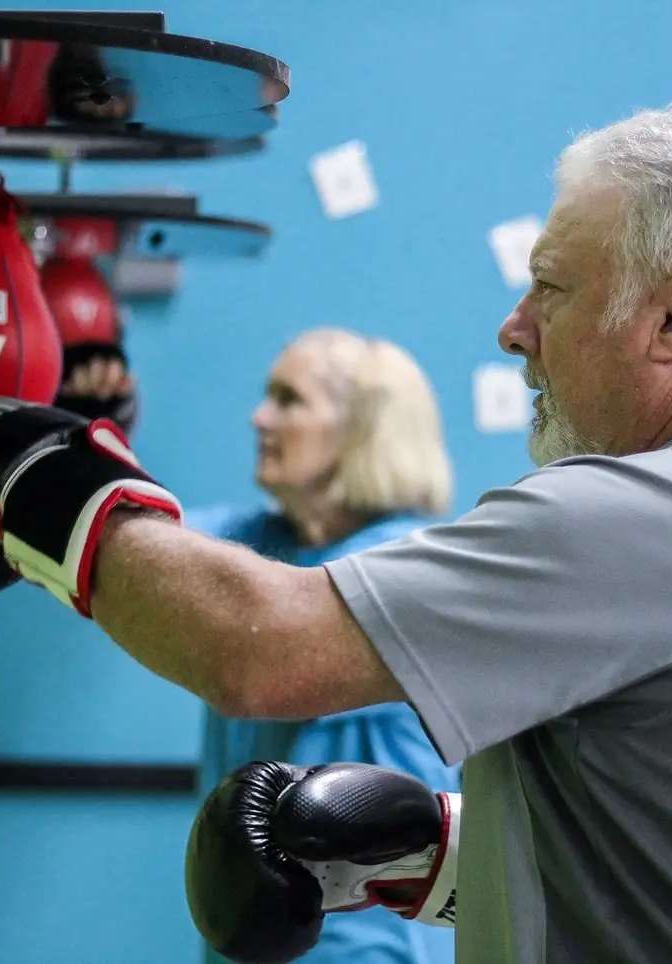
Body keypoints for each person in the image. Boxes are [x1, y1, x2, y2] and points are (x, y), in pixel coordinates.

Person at [0, 104, 672, 963]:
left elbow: (253, 646)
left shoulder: (664, 512)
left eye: (550, 288)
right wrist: (434, 857)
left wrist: (33, 482)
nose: (512, 329)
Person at [59, 326, 461, 964]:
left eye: (289, 399)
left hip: (368, 943)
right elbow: (127, 553)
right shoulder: (261, 543)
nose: (260, 415)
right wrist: (84, 436)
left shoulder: (404, 563)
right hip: (254, 938)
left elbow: (250, 614)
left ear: (360, 428)